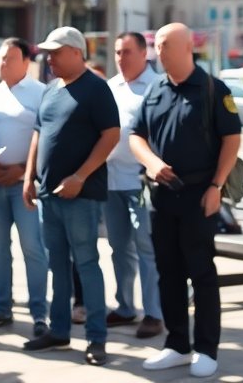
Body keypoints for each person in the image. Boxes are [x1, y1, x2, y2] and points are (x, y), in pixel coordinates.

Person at [130, 24, 241, 378]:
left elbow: (232, 140)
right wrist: (151, 163)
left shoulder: (213, 89)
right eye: (156, 46)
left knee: (202, 272)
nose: (157, 51)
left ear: (186, 46)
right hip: (162, 197)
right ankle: (177, 344)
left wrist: (216, 187)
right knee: (168, 273)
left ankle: (206, 349)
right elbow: (136, 136)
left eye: (163, 45)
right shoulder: (155, 90)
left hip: (199, 196)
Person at [21, 27, 119, 366]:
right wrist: (28, 175)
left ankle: (96, 338)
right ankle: (59, 331)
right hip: (48, 195)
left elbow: (111, 135)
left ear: (77, 52)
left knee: (87, 263)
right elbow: (38, 133)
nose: (49, 59)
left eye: (56, 52)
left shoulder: (97, 88)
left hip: (81, 195)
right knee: (57, 266)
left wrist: (80, 176)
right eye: (47, 52)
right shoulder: (50, 89)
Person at [0, 38, 50, 335]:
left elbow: (47, 138)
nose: (3, 62)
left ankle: (39, 313)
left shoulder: (42, 94)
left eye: (10, 58)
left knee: (33, 247)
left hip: (26, 187)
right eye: (1, 57)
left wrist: (23, 171)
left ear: (25, 62)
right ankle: (1, 308)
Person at [103, 31, 163, 338]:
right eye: (117, 52)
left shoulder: (156, 88)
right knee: (118, 247)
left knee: (146, 247)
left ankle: (154, 313)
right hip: (111, 181)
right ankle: (125, 306)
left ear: (144, 54)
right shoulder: (109, 87)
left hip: (142, 183)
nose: (120, 58)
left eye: (127, 52)